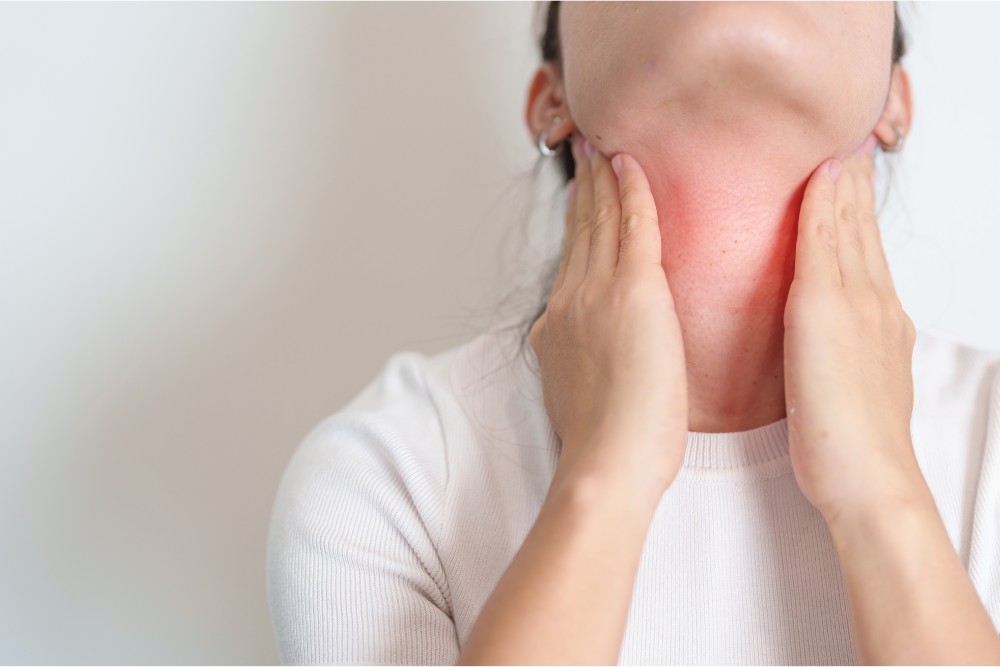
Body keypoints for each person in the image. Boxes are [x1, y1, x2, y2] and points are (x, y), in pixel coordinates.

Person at [266, 2, 1000, 664]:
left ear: (893, 104)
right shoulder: (392, 485)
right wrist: (603, 475)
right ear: (552, 99)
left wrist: (883, 490)